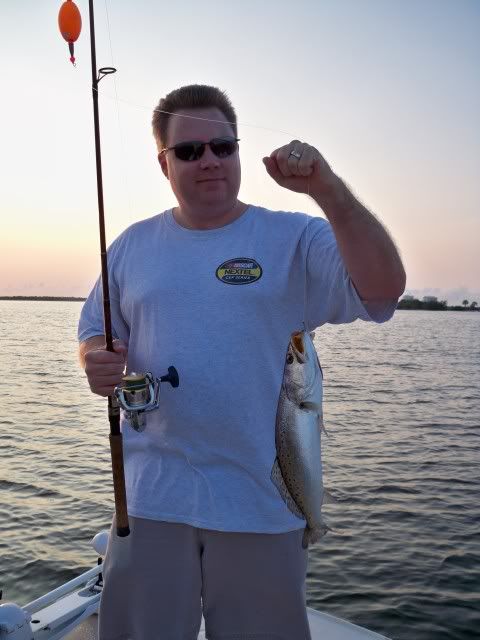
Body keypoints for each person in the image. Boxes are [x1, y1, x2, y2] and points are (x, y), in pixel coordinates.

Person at [78, 84, 405, 640]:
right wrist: (95, 359)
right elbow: (95, 330)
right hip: (151, 499)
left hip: (262, 500)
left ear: (237, 150)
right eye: (189, 151)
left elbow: (383, 291)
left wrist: (328, 191)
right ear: (164, 163)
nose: (209, 160)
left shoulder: (295, 236)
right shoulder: (132, 246)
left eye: (222, 147)